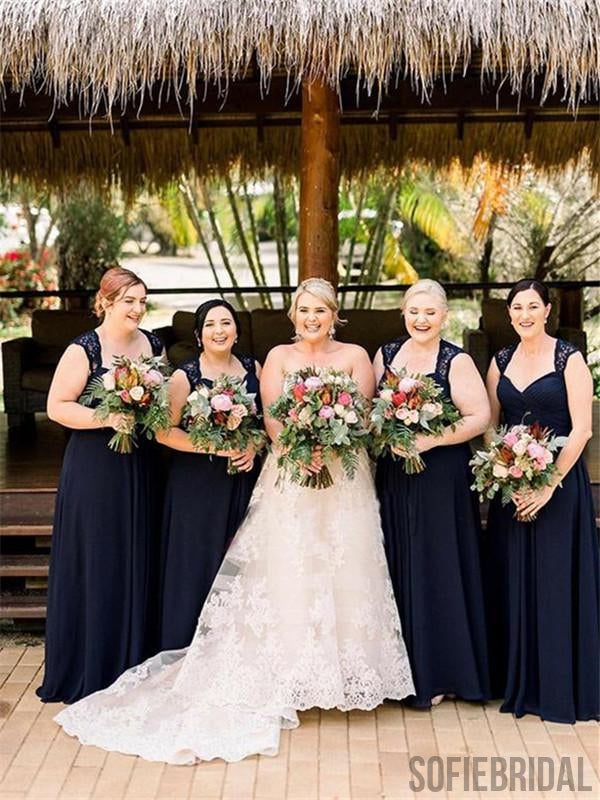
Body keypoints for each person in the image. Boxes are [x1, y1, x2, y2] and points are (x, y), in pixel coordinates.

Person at [53, 277, 415, 763]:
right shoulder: (272, 361)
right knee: (286, 569)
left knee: (346, 568)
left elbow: (366, 412)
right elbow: (270, 417)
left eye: (320, 311)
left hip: (343, 478)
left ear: (334, 315)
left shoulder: (350, 357)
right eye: (304, 311)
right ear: (293, 316)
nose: (312, 318)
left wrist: (331, 443)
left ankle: (344, 674)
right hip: (289, 472)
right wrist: (292, 445)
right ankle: (289, 671)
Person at [37, 267, 164, 703]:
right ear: (106, 302)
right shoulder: (84, 349)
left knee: (137, 555)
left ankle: (134, 660)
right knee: (100, 559)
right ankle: (94, 664)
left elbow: (160, 400)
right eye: (129, 300)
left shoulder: (153, 345)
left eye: (142, 301)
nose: (137, 309)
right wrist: (106, 417)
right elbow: (57, 407)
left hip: (141, 464)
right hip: (95, 468)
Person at [484, 279, 599, 723]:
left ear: (547, 310)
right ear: (509, 313)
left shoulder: (569, 360)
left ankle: (558, 687)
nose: (525, 314)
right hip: (511, 485)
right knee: (513, 580)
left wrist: (548, 482)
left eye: (533, 306)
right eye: (517, 307)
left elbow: (583, 429)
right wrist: (506, 469)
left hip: (560, 484)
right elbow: (493, 425)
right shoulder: (500, 361)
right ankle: (518, 682)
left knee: (554, 583)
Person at [374, 279, 491, 708]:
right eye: (414, 312)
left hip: (440, 476)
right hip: (396, 473)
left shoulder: (454, 361)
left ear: (443, 316)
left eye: (429, 313)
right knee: (400, 562)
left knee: (439, 565)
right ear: (403, 313)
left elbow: (480, 416)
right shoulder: (386, 355)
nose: (421, 320)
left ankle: (445, 672)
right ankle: (404, 674)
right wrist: (386, 432)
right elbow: (370, 409)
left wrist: (431, 439)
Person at [156, 299, 261, 651]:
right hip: (196, 485)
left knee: (239, 564)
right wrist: (214, 448)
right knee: (196, 562)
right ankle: (185, 646)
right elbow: (164, 432)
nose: (219, 330)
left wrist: (253, 446)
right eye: (211, 325)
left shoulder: (252, 367)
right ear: (199, 335)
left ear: (236, 331)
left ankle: (231, 650)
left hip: (243, 481)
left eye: (226, 323)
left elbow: (265, 423)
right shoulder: (185, 375)